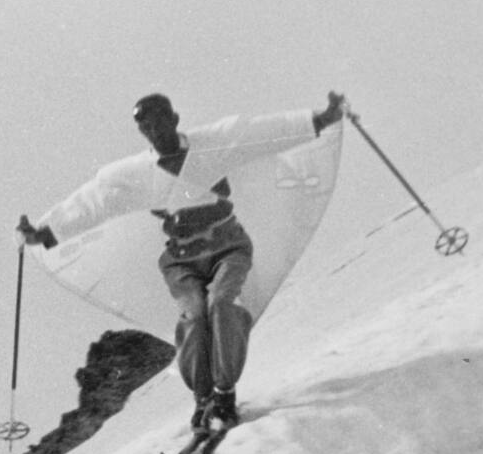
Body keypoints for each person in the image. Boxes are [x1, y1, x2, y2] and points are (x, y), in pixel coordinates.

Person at [19, 91, 345, 436]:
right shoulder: (133, 174)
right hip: (181, 259)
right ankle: (203, 396)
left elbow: (259, 134)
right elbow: (93, 201)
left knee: (223, 304)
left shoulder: (212, 144)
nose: (154, 132)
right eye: (146, 127)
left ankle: (223, 394)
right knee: (193, 315)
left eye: (159, 122)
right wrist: (44, 232)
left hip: (227, 245)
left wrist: (320, 119)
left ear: (174, 119)